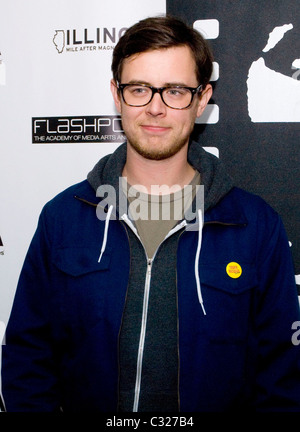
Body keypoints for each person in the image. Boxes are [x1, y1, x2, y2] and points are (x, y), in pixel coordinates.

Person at [1, 15, 300, 413]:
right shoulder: (63, 219)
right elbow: (27, 358)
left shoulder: (256, 226)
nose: (156, 108)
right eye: (139, 89)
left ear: (202, 98)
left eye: (175, 91)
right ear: (117, 93)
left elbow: (282, 377)